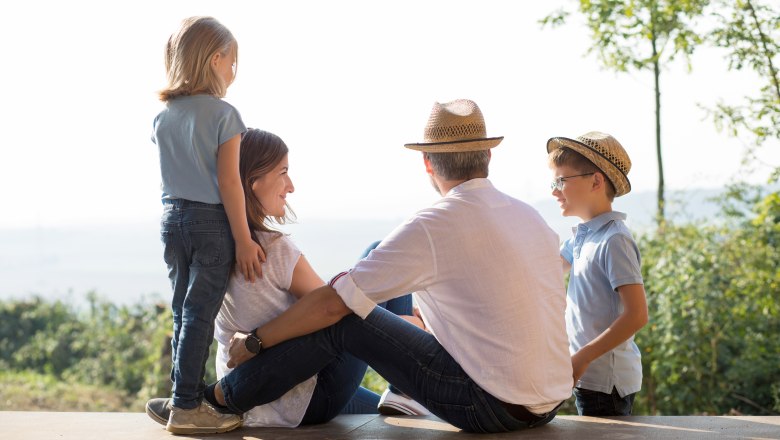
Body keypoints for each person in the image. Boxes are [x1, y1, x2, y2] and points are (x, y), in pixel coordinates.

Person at [202, 99, 574, 433]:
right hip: (550, 402)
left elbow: (333, 304)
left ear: (427, 163)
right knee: (358, 291)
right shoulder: (533, 219)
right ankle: (401, 395)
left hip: (490, 407)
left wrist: (256, 340)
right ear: (488, 158)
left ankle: (219, 400)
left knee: (344, 313)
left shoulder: (434, 224)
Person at [145, 129, 427, 430]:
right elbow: (340, 311)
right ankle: (402, 388)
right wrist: (411, 328)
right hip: (309, 396)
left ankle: (402, 396)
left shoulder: (211, 251)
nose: (290, 186)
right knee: (379, 253)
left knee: (386, 411)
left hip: (258, 401)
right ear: (253, 182)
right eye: (283, 173)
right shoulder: (271, 250)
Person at [151, 16, 264, 434]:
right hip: (210, 223)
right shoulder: (224, 115)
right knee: (201, 315)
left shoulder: (164, 116)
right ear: (216, 59)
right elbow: (230, 183)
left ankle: (183, 394)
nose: (234, 71)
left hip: (171, 219)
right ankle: (186, 405)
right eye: (233, 61)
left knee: (183, 311)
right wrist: (244, 239)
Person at [546, 132, 649, 416]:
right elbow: (545, 273)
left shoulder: (614, 240)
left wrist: (582, 358)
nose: (554, 191)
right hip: (588, 376)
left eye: (561, 181)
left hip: (607, 384)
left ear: (595, 181)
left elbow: (637, 315)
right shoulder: (583, 235)